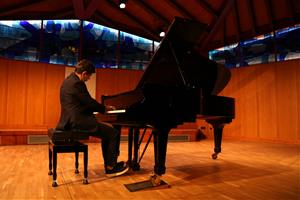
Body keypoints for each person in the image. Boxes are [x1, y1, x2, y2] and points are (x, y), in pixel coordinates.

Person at [56, 59, 129, 177]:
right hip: (78, 121)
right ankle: (111, 167)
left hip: (70, 120)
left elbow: (83, 103)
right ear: (84, 73)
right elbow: (89, 102)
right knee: (113, 133)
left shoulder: (68, 81)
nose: (89, 79)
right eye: (89, 76)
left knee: (108, 132)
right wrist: (104, 109)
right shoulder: (77, 83)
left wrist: (99, 109)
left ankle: (110, 164)